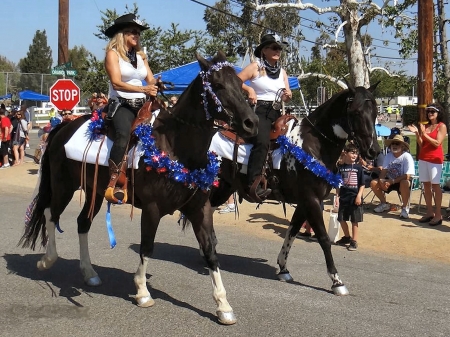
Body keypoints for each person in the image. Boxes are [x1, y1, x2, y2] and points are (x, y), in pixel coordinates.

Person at [104, 13, 158, 203]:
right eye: (132, 31)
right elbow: (117, 83)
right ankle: (115, 183)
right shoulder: (113, 54)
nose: (137, 35)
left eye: (138, 32)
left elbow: (150, 78)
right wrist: (144, 88)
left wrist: (157, 83)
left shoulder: (141, 56)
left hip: (143, 104)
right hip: (122, 104)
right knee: (123, 135)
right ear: (122, 34)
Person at [238, 33, 292, 199]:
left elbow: (285, 95)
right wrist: (249, 90)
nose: (278, 51)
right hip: (258, 110)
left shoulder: (282, 71)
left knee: (295, 140)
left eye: (279, 48)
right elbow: (234, 80)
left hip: (277, 112)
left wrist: (288, 95)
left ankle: (283, 180)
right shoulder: (255, 66)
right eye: (274, 47)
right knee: (261, 142)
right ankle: (252, 183)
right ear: (264, 50)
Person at [408, 103, 448, 226]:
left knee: (435, 186)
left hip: (435, 159)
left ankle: (438, 214)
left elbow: (437, 143)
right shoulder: (426, 126)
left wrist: (424, 134)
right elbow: (422, 144)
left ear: (438, 113)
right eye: (429, 111)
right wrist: (417, 133)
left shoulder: (442, 126)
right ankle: (429, 212)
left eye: (433, 111)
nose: (430, 113)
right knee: (426, 185)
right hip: (423, 158)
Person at [370, 134, 415, 219]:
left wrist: (392, 181)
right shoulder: (388, 156)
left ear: (402, 146)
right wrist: (381, 181)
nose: (394, 145)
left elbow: (408, 175)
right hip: (389, 180)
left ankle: (405, 208)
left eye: (397, 144)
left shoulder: (407, 156)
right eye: (393, 143)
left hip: (402, 181)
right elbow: (383, 171)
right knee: (374, 183)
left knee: (405, 182)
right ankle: (384, 203)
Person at [334, 143, 365, 251]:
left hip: (354, 197)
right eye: (352, 152)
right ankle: (347, 237)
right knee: (341, 218)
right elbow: (338, 184)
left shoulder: (358, 168)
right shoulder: (340, 167)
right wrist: (337, 197)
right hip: (343, 196)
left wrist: (359, 196)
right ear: (345, 153)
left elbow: (362, 184)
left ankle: (354, 240)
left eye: (356, 153)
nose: (355, 155)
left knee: (354, 220)